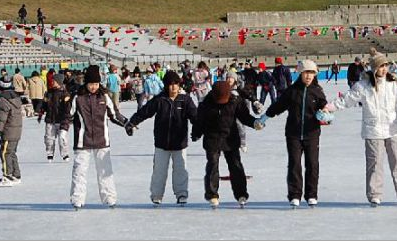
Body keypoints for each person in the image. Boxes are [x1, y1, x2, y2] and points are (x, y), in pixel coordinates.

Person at [325, 49, 397, 206]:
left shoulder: (393, 85)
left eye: (385, 66)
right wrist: (330, 107)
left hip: (393, 128)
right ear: (373, 68)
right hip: (373, 130)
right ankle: (374, 194)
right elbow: (346, 100)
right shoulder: (363, 86)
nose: (383, 69)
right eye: (380, 66)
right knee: (374, 163)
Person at [261, 60, 329, 207]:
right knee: (294, 164)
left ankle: (311, 194)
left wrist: (326, 116)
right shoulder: (292, 91)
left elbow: (325, 108)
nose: (309, 76)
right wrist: (265, 116)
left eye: (311, 73)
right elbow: (278, 106)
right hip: (293, 133)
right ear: (300, 73)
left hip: (312, 133)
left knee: (312, 164)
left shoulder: (317, 91)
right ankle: (295, 195)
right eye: (306, 73)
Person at [125, 71, 197, 206]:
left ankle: (181, 193)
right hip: (161, 142)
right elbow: (145, 112)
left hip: (180, 142)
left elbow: (195, 117)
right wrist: (132, 122)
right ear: (165, 86)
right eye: (170, 85)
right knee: (159, 171)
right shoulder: (160, 99)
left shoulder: (185, 100)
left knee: (181, 170)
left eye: (176, 84)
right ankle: (157, 195)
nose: (173, 87)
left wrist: (199, 130)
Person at [192, 81, 264, 208]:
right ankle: (212, 195)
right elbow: (200, 121)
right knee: (212, 166)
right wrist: (196, 133)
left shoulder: (235, 101)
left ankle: (241, 194)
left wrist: (254, 123)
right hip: (212, 138)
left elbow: (244, 117)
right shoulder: (206, 104)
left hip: (230, 137)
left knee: (236, 165)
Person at [69, 65, 129, 210]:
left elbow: (114, 115)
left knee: (105, 171)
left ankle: (109, 198)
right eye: (91, 84)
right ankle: (77, 199)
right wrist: (63, 130)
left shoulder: (104, 97)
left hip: (102, 140)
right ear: (86, 83)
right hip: (83, 141)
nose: (94, 87)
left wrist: (127, 123)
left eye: (96, 84)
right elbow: (67, 116)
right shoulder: (78, 98)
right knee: (79, 171)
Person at [0, 75, 23, 187]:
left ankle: (7, 175)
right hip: (17, 130)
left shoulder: (3, 99)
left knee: (5, 153)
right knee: (12, 153)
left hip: (8, 131)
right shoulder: (16, 97)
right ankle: (16, 175)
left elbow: (2, 118)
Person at [38, 73, 72, 163]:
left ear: (59, 82)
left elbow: (69, 108)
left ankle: (65, 154)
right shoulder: (49, 93)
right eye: (52, 80)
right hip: (50, 119)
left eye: (54, 81)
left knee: (62, 138)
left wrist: (67, 103)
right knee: (49, 139)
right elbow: (44, 105)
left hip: (62, 120)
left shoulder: (65, 93)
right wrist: (41, 112)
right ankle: (50, 154)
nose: (52, 82)